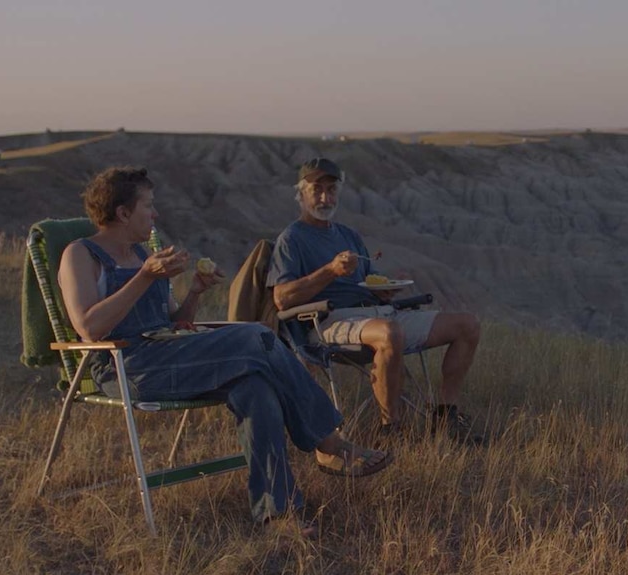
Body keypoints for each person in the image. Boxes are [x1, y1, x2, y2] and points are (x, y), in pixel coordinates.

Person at [57, 166, 392, 537]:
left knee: (255, 387)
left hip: (170, 356)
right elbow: (88, 327)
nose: (155, 214)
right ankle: (327, 441)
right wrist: (145, 277)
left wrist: (195, 291)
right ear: (122, 213)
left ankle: (277, 514)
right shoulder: (81, 255)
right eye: (148, 206)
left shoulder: (141, 256)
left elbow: (175, 322)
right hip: (126, 367)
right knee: (256, 336)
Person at [266, 158, 483, 444]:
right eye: (316, 189)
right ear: (301, 194)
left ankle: (446, 416)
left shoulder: (348, 235)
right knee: (389, 332)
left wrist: (385, 288)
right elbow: (282, 299)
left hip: (377, 312)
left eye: (331, 190)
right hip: (327, 321)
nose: (324, 197)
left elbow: (369, 280)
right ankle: (391, 430)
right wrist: (330, 271)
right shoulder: (291, 239)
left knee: (467, 325)